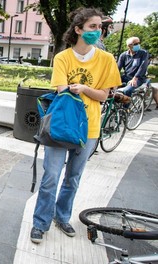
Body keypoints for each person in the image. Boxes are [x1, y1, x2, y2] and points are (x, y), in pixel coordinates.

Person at [30, 7, 121, 244]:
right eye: (92, 27)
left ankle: (62, 216)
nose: (97, 31)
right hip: (61, 127)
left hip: (89, 128)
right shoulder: (62, 58)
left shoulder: (106, 59)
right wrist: (80, 90)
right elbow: (61, 90)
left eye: (100, 27)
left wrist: (83, 89)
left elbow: (104, 96)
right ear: (78, 29)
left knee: (73, 178)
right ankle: (40, 222)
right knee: (51, 177)